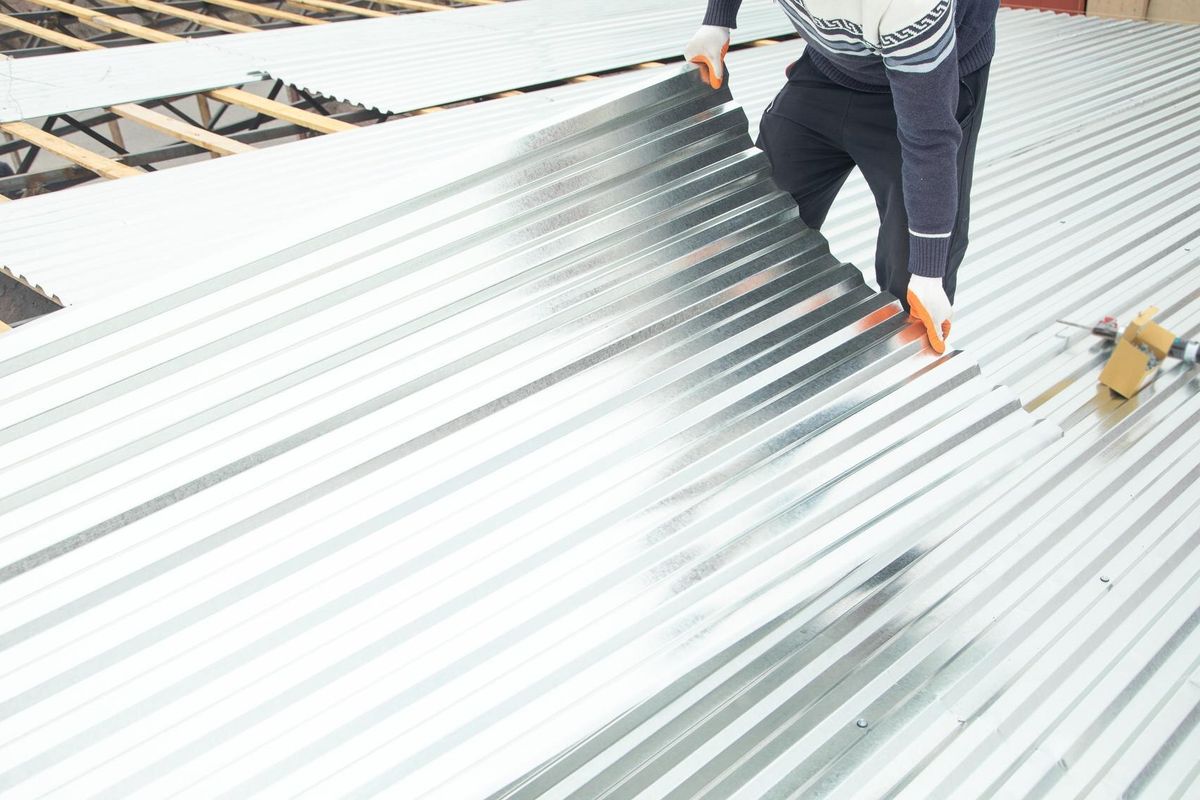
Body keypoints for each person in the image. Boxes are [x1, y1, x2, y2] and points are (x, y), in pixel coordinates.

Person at [685, 0, 1000, 353]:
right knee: (756, 226)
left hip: (931, 80)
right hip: (832, 66)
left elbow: (929, 139)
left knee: (913, 283)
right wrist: (718, 20)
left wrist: (928, 273)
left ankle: (894, 384)